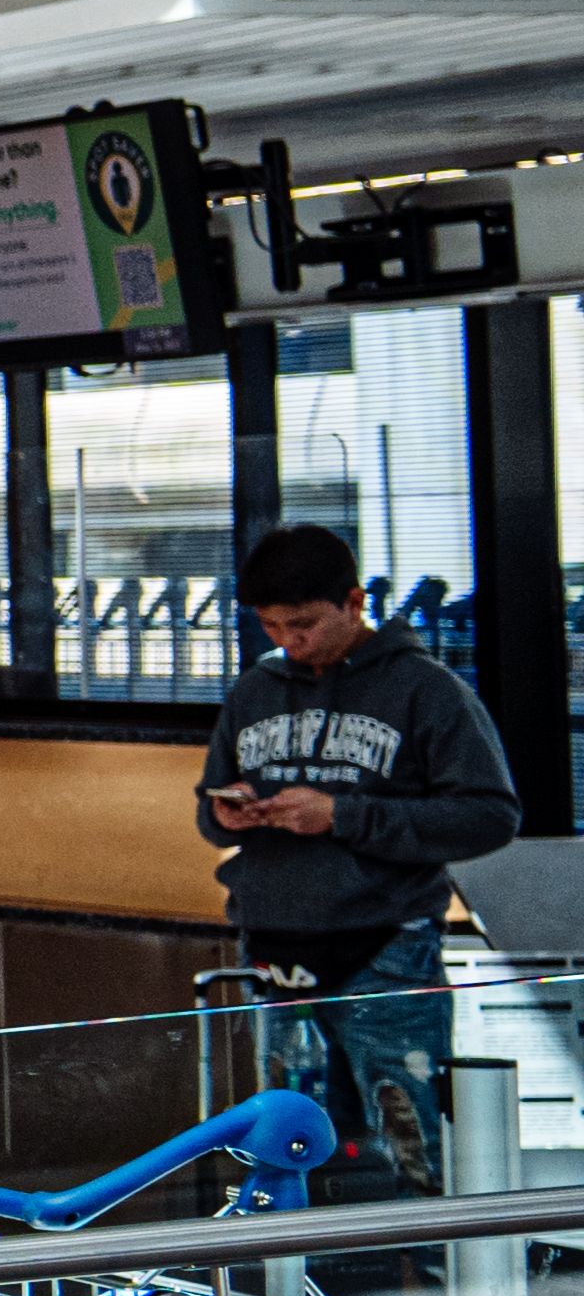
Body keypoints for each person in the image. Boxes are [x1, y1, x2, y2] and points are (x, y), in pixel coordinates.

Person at [201, 519, 523, 1210]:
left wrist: (343, 816)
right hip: (275, 946)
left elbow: (491, 815)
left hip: (387, 946)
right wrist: (226, 812)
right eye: (273, 627)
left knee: (412, 1138)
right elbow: (210, 805)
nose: (290, 641)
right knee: (285, 1138)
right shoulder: (255, 691)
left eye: (305, 624)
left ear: (353, 603)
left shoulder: (425, 690)